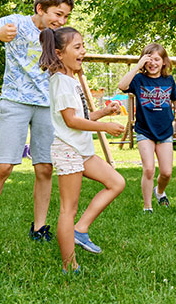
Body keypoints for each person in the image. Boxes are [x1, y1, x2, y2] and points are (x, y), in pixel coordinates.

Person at [0, 0, 73, 249]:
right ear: (40, 8)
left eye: (66, 17)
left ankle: (39, 227)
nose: (61, 21)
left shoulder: (58, 37)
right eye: (57, 14)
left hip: (47, 106)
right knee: (3, 167)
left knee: (45, 167)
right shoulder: (15, 23)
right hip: (15, 102)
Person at [39, 26, 126, 273]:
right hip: (68, 150)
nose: (83, 51)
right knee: (68, 209)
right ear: (58, 53)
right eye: (77, 47)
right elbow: (71, 121)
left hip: (81, 149)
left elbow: (81, 115)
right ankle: (70, 265)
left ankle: (81, 229)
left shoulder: (70, 80)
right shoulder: (61, 82)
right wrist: (105, 127)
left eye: (83, 46)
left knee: (116, 183)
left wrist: (104, 113)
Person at [117, 43, 176, 212]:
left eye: (157, 59)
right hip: (145, 130)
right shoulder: (138, 80)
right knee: (149, 169)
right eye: (148, 60)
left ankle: (159, 192)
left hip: (165, 130)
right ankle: (147, 207)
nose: (153, 63)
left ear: (164, 61)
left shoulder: (168, 80)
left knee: (166, 173)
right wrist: (137, 67)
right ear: (144, 62)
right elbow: (122, 86)